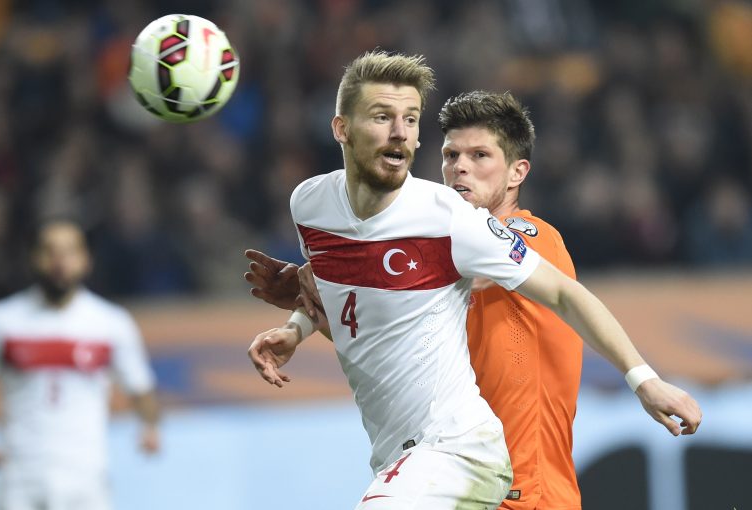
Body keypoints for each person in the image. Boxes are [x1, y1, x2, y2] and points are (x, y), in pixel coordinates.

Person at [246, 50, 701, 510]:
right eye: (451, 155)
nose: (459, 167)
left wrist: (644, 380)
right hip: (436, 473)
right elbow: (386, 321)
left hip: (525, 488)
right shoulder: (419, 238)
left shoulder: (525, 237)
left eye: (479, 155)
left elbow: (550, 290)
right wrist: (304, 318)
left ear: (517, 172)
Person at [0, 219, 160, 510]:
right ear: (33, 258)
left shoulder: (110, 323)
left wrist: (149, 427)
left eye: (70, 251)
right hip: (19, 477)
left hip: (86, 477)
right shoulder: (2, 320)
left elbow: (141, 388)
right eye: (49, 251)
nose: (59, 261)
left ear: (86, 260)